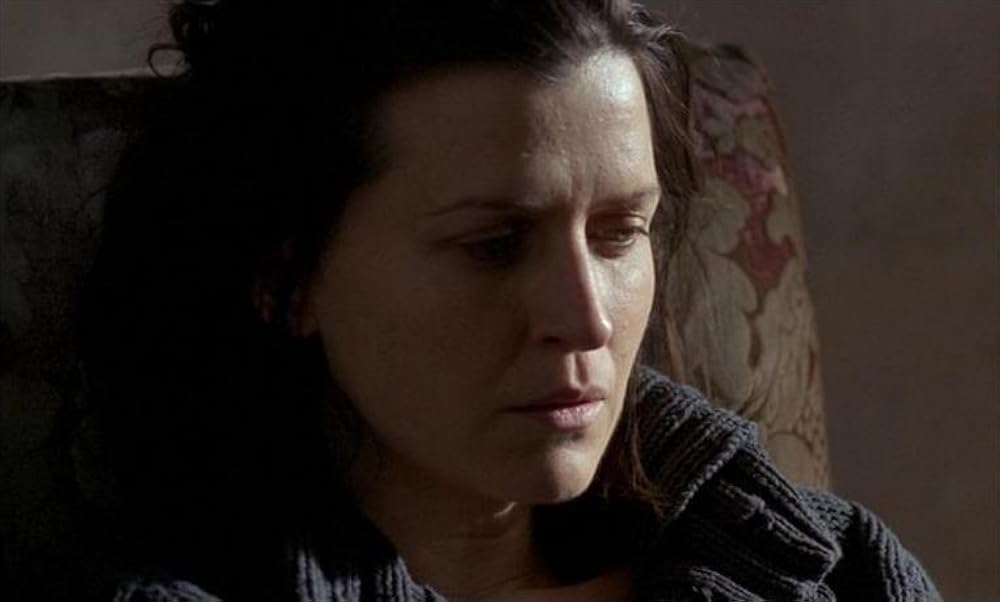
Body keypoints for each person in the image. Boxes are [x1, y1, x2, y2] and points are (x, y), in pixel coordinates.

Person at [72, 1, 939, 601]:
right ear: (286, 280)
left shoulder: (843, 571)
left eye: (618, 233)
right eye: (492, 245)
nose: (587, 321)